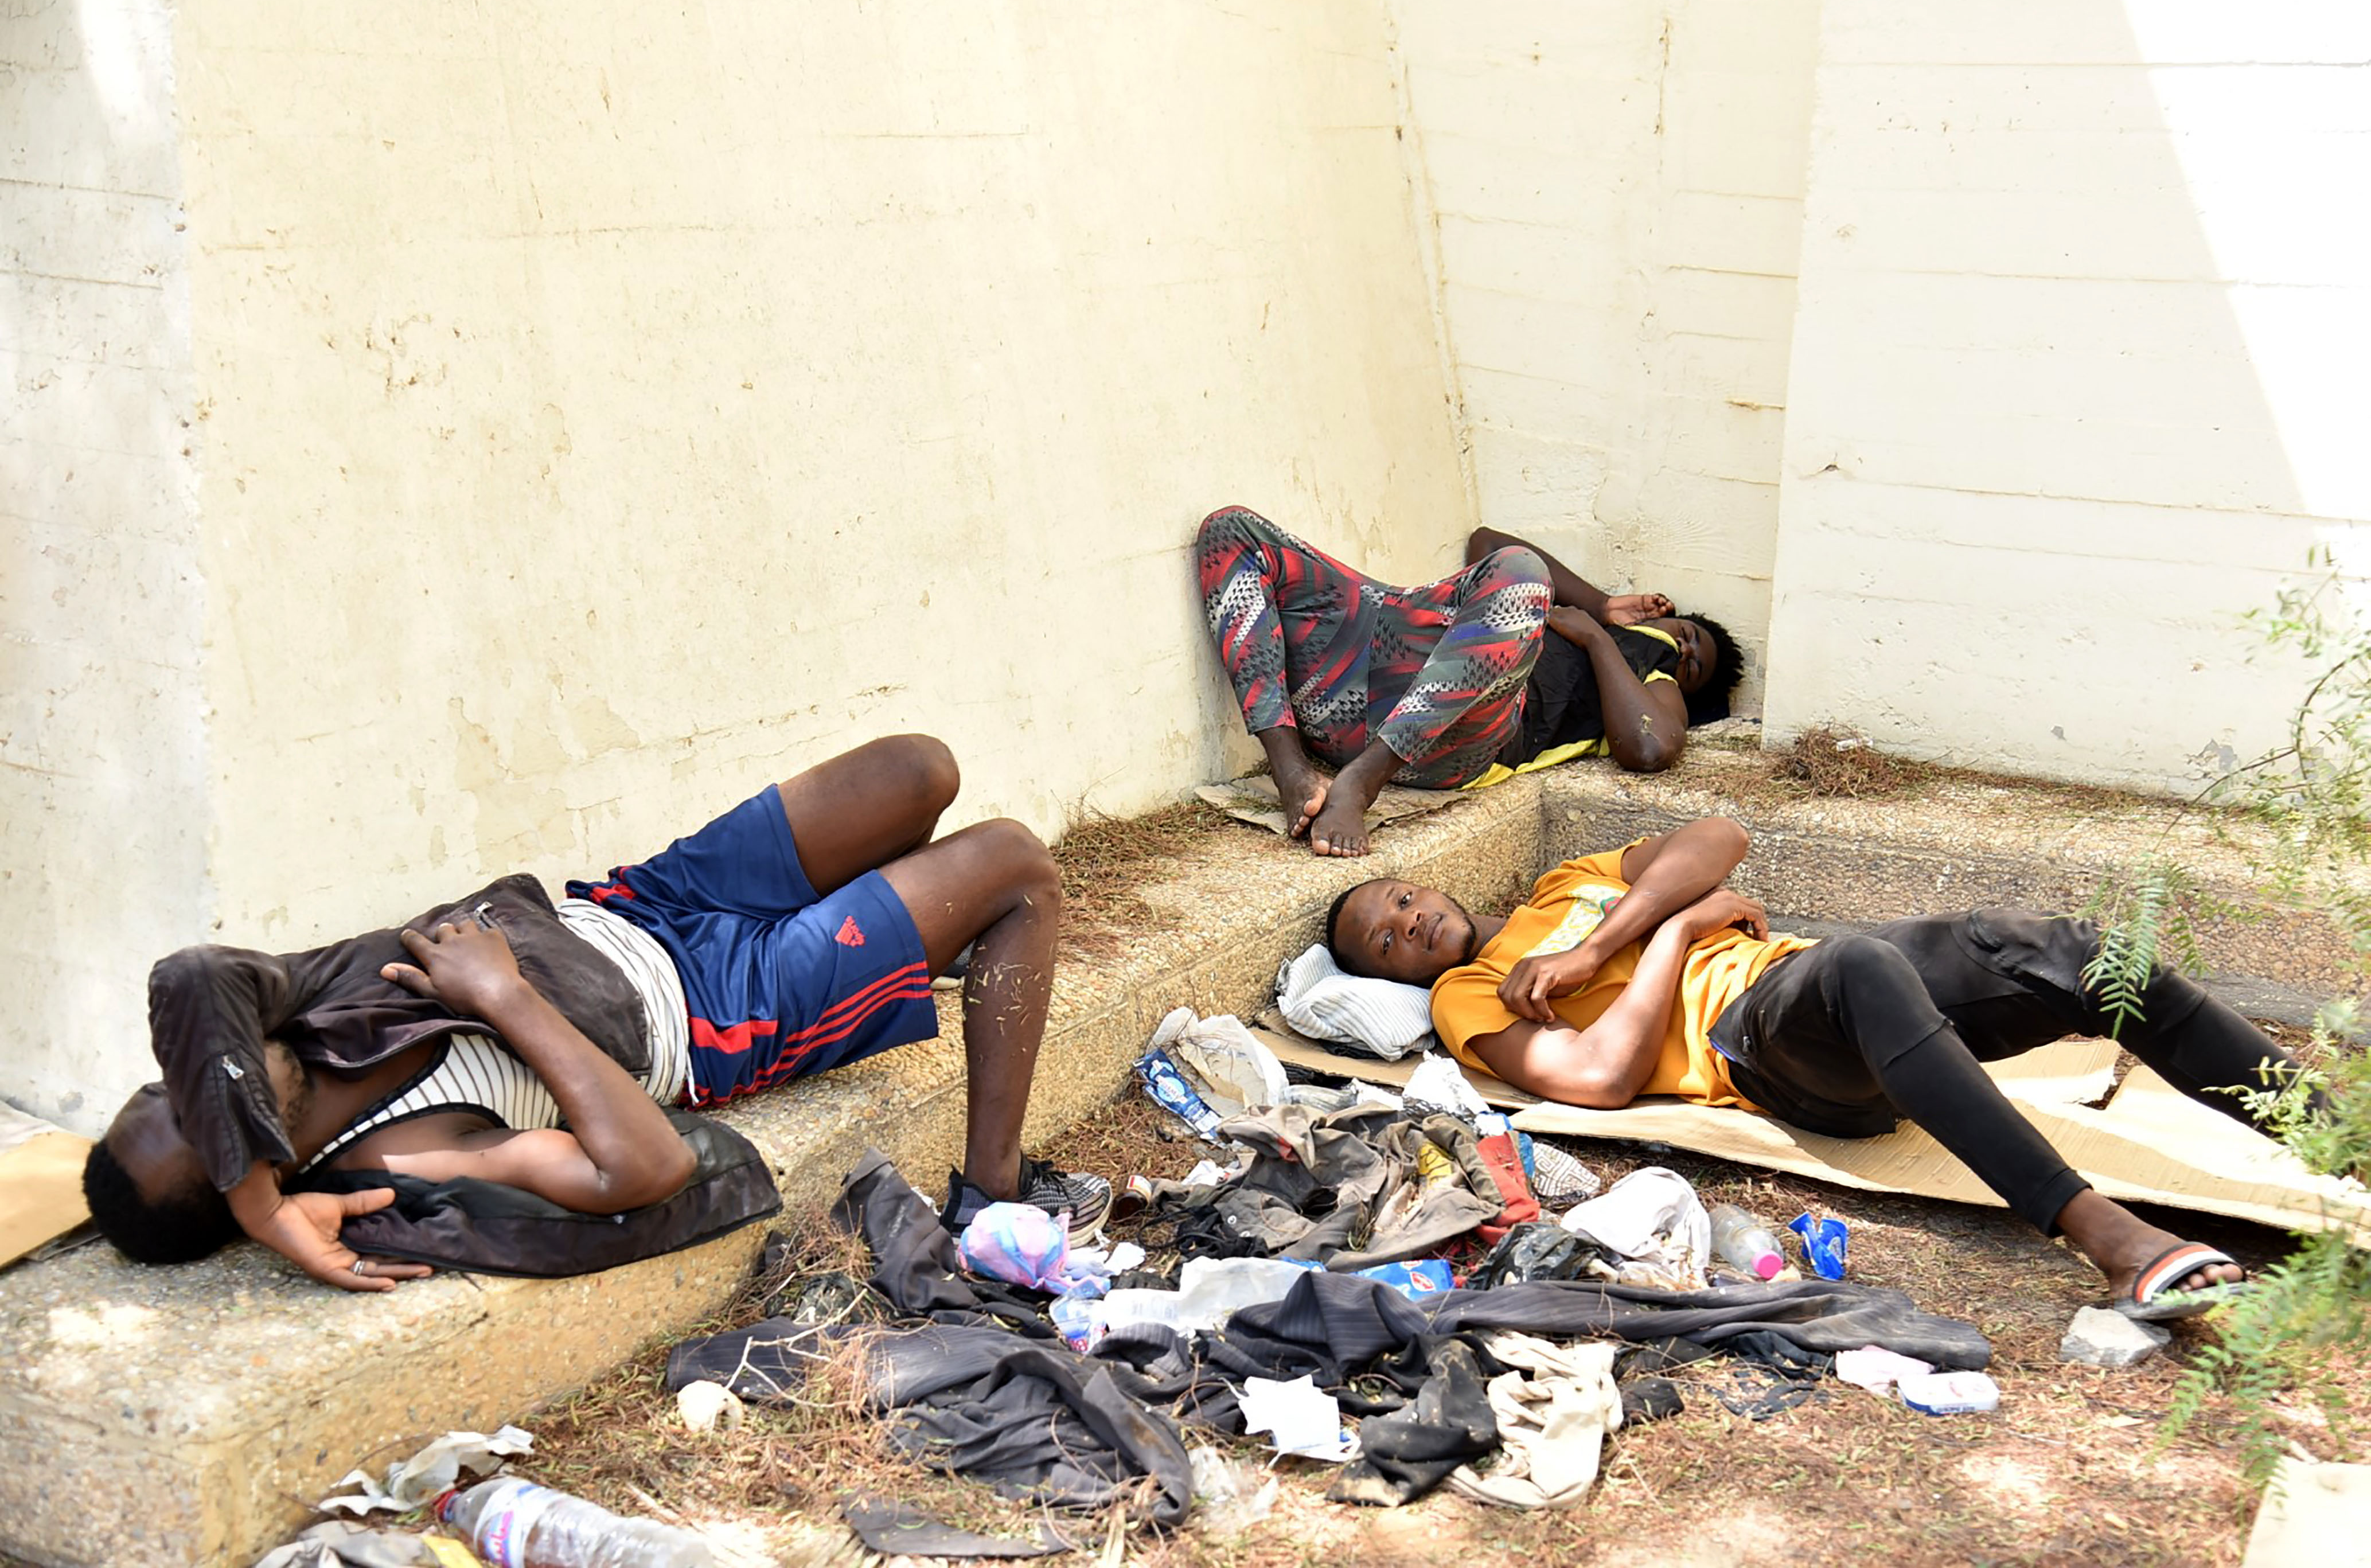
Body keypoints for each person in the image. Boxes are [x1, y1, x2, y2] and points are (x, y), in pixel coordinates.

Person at [82, 736, 1110, 1292]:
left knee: (917, 769)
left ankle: (898, 950)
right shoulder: (400, 1163)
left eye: (170, 1084)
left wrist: (249, 1194)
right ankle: (991, 1191)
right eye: (199, 1128)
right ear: (238, 1168)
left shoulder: (283, 1008)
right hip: (715, 1011)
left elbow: (187, 976)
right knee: (1016, 865)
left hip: (645, 900)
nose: (202, 1083)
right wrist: (504, 999)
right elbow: (644, 1168)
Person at [1325, 818, 2332, 1320]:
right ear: (1395, 972)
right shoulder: (1475, 996)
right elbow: (1597, 1078)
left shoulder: (1564, 889)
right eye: (1384, 941)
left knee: (2071, 949)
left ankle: (2338, 1135)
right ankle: (2107, 1239)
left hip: (1820, 982)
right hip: (1765, 1050)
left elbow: (1719, 834)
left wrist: (1599, 942)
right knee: (1851, 962)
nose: (1407, 922)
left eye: (1401, 899)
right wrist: (1673, 936)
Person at [1194, 508, 1741, 858]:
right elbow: (1485, 542)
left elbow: (1649, 746)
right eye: (1687, 632)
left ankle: (1362, 782)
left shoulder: (1651, 673)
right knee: (1231, 531)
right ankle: (1291, 771)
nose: (1685, 649)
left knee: (1524, 575)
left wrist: (1599, 640)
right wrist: (1598, 605)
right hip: (1357, 682)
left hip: (1451, 738)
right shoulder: (1589, 611)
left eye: (1694, 663)